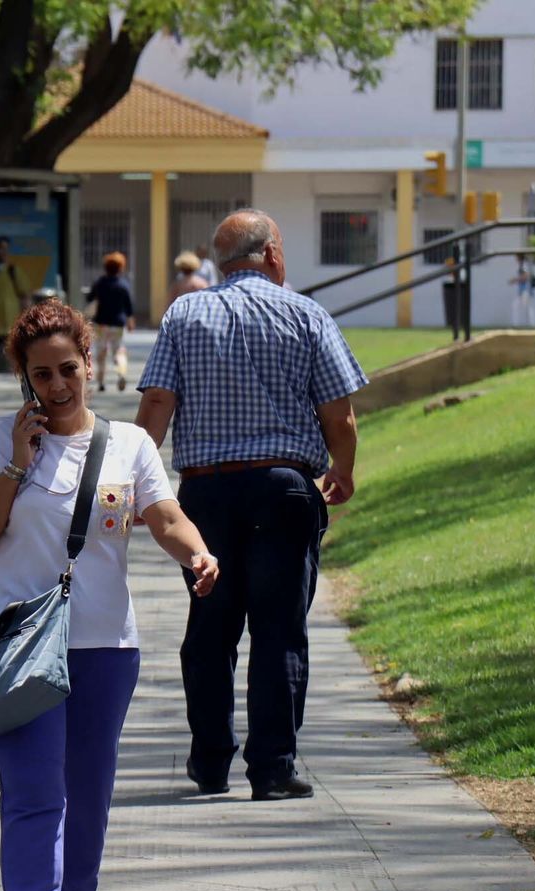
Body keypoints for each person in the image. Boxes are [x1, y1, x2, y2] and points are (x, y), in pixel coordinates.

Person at [0, 301, 218, 891]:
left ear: (89, 364)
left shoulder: (128, 444)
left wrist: (196, 554)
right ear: (24, 377)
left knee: (89, 794)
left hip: (105, 645)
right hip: (19, 647)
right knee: (34, 790)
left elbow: (164, 514)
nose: (57, 385)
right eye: (41, 374)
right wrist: (17, 465)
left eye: (67, 369)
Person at [133, 208, 366, 802]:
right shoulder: (307, 314)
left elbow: (157, 403)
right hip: (285, 490)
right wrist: (341, 469)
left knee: (210, 630)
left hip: (206, 494)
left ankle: (210, 762)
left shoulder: (184, 313)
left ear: (221, 261)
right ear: (273, 254)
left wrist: (134, 477)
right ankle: (272, 769)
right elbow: (339, 415)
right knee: (279, 630)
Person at [87, 252, 134, 391]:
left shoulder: (99, 283)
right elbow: (128, 306)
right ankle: (121, 373)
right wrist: (130, 321)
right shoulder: (123, 285)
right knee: (118, 350)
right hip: (117, 324)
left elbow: (89, 298)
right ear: (121, 267)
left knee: (101, 352)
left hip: (101, 323)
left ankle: (101, 382)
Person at [0, 235, 32, 338]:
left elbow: (26, 298)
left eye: (6, 249)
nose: (3, 252)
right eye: (0, 248)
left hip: (13, 330)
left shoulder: (14, 272)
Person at [509, 254, 535, 328]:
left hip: (526, 291)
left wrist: (515, 280)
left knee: (527, 309)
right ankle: (518, 325)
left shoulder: (524, 265)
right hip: (523, 291)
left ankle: (532, 326)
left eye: (516, 257)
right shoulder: (522, 265)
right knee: (518, 306)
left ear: (519, 257)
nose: (515, 258)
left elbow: (527, 276)